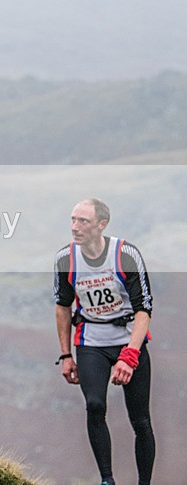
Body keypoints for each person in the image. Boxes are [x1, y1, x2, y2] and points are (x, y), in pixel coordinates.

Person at [53, 198, 155, 485]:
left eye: (83, 221)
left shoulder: (125, 255)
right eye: (73, 220)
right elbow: (63, 306)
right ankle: (107, 480)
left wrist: (130, 356)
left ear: (102, 224)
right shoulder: (65, 259)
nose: (75, 227)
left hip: (128, 340)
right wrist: (66, 355)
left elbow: (143, 309)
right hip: (91, 341)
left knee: (141, 420)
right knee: (95, 405)